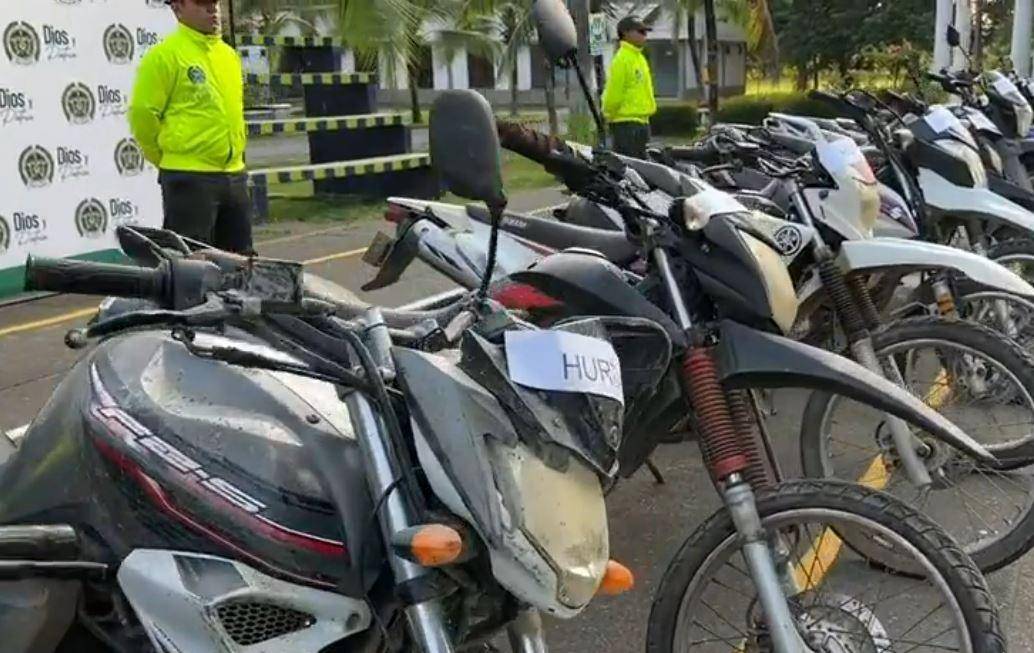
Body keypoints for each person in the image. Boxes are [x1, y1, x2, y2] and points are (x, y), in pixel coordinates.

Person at [129, 0, 253, 254]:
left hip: (234, 174)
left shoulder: (229, 56)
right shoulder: (164, 56)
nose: (213, 9)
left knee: (242, 263)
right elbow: (142, 115)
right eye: (202, 3)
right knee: (191, 265)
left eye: (215, 3)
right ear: (178, 9)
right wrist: (168, 159)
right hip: (190, 178)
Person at [601, 16, 657, 159]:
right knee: (629, 169)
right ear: (625, 33)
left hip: (641, 123)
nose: (644, 35)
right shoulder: (621, 59)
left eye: (645, 32)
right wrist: (608, 113)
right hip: (625, 125)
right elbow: (614, 94)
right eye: (640, 31)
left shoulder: (639, 58)